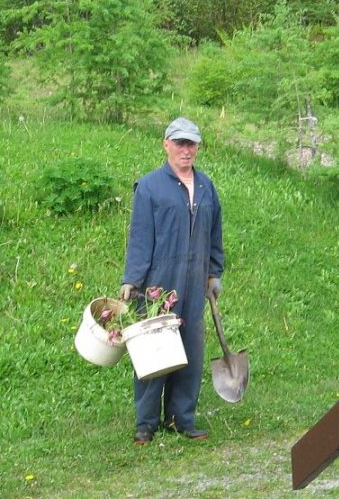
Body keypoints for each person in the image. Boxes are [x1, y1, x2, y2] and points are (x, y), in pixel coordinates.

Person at [120, 116, 225, 444]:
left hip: (194, 280)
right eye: (180, 143)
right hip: (158, 283)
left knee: (190, 351)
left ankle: (181, 418)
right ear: (166, 143)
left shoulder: (207, 186)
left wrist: (214, 272)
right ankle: (146, 423)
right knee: (155, 352)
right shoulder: (150, 186)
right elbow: (140, 236)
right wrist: (132, 279)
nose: (186, 149)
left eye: (191, 143)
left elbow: (215, 234)